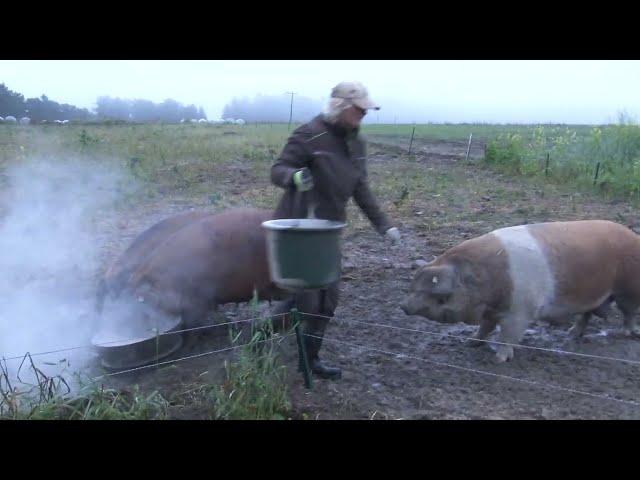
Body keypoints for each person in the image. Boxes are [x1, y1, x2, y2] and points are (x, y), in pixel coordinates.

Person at [270, 81, 401, 380]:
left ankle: (298, 353)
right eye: (359, 110)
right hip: (298, 231)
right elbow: (277, 170)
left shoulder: (357, 143)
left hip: (328, 233)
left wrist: (385, 226)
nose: (363, 116)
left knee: (326, 302)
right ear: (340, 106)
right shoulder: (308, 134)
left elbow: (360, 187)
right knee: (310, 301)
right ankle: (302, 361)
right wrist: (295, 176)